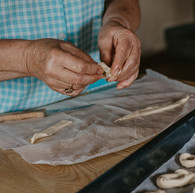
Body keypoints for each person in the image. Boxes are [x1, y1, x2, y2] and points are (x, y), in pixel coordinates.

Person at [0, 0, 141, 113]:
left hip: (102, 96)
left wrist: (118, 21)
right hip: (12, 116)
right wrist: (27, 58)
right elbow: (28, 58)